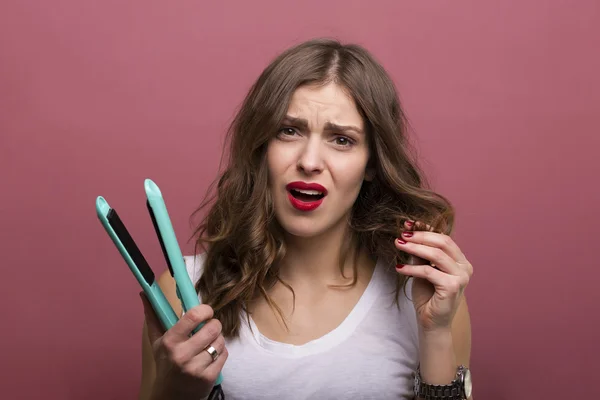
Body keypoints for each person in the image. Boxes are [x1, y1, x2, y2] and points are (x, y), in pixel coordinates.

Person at [138, 38, 474, 400]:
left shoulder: (424, 298)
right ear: (261, 147)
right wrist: (176, 389)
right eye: (289, 130)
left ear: (373, 164)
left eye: (341, 139)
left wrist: (436, 332)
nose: (310, 161)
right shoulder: (184, 290)